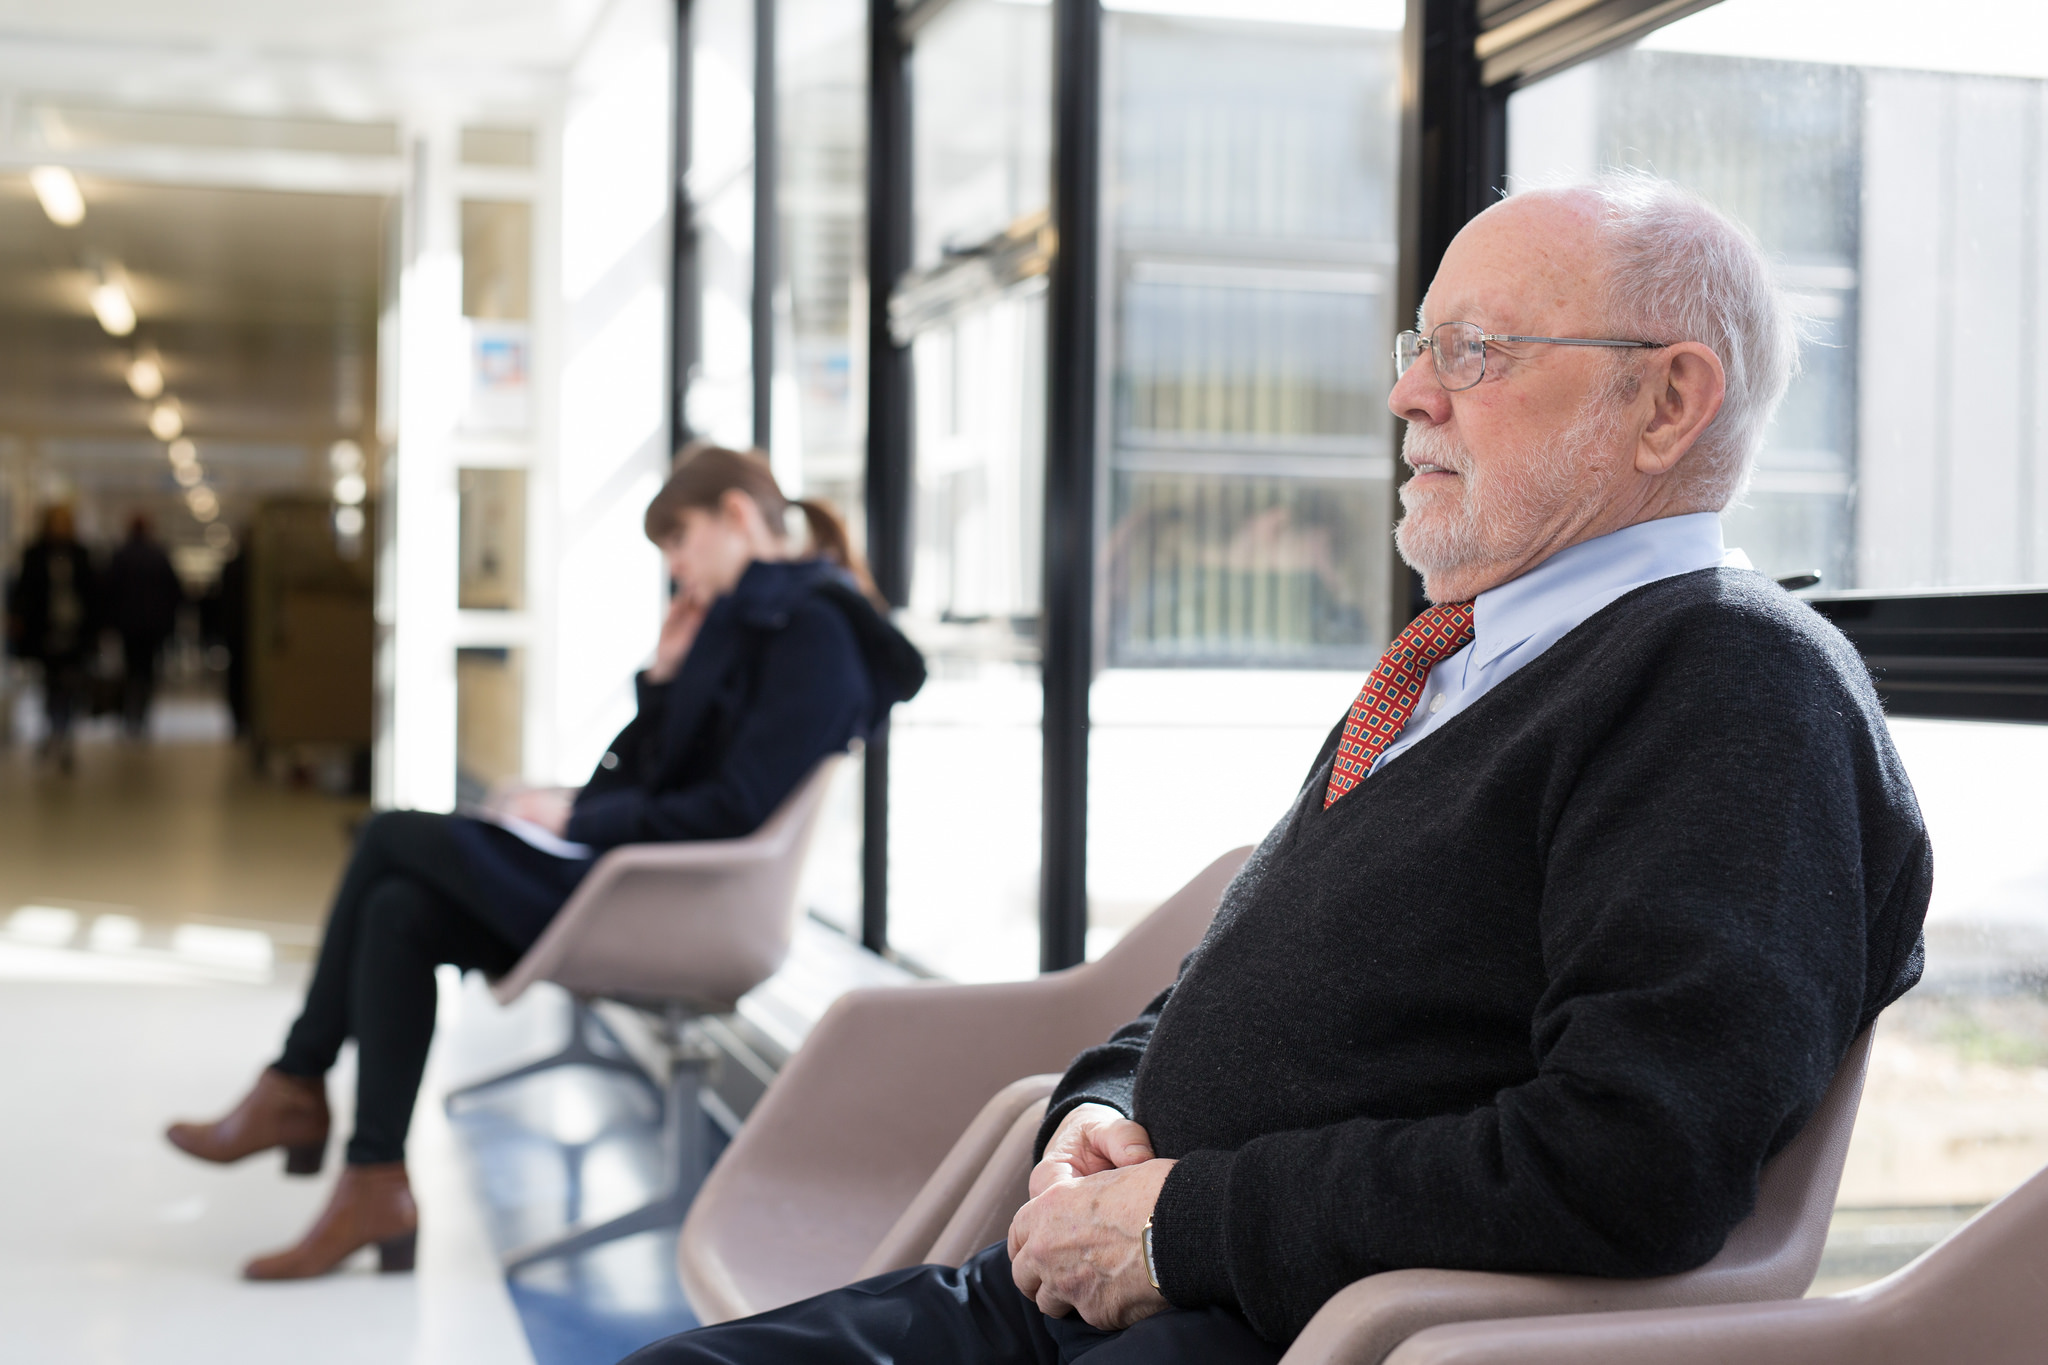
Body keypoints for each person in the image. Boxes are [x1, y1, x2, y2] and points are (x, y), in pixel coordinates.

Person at [623, 176, 1933, 1365]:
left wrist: (1178, 1226)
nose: (1409, 397)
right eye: (1418, 348)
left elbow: (1632, 1158)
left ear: (1667, 404)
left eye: (1474, 351)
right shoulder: (1463, 659)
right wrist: (1102, 1104)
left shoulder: (1730, 681)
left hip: (1293, 1324)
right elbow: (1244, 980)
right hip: (1117, 1282)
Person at [165, 446, 926, 1280]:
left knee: (388, 835)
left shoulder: (810, 629)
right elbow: (660, 777)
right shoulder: (750, 620)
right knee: (396, 911)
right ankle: (373, 1180)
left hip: (671, 903)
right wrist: (663, 680)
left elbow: (731, 808)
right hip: (637, 879)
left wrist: (573, 816)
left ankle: (296, 1080)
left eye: (680, 540)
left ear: (738, 515)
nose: (675, 567)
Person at [6, 504, 100, 774]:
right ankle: (53, 730)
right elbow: (24, 591)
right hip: (44, 631)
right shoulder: (35, 554)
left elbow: (93, 594)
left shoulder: (80, 554)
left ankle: (64, 735)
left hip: (74, 630)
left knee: (70, 684)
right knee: (50, 684)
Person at [106, 514, 185, 737]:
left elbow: (109, 592)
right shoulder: (158, 556)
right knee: (147, 671)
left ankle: (131, 715)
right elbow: (175, 593)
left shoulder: (121, 555)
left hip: (129, 625)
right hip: (153, 626)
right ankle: (141, 715)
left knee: (132, 670)